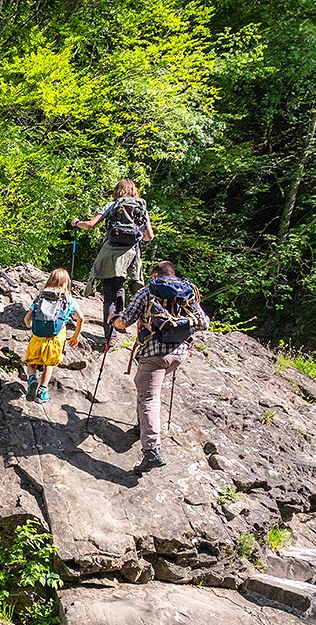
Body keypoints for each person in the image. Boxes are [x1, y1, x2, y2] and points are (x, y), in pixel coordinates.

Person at [112, 260, 210, 471]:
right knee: (149, 390)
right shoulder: (188, 292)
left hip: (154, 354)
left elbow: (125, 321)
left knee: (149, 397)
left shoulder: (147, 292)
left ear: (155, 275)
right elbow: (204, 323)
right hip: (180, 353)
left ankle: (152, 450)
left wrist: (114, 321)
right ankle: (142, 426)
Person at [70, 179, 153, 338]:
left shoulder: (113, 205)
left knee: (110, 294)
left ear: (117, 191)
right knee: (121, 289)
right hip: (131, 256)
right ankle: (121, 322)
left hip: (110, 254)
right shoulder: (141, 207)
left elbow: (90, 225)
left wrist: (77, 223)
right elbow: (149, 236)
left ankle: (110, 336)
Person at [23, 268, 83, 404]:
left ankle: (32, 379)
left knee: (31, 362)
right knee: (48, 364)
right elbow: (81, 318)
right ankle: (42, 392)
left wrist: (29, 326)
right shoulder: (68, 299)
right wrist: (75, 336)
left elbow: (27, 318)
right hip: (56, 338)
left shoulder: (40, 297)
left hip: (37, 336)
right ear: (67, 282)